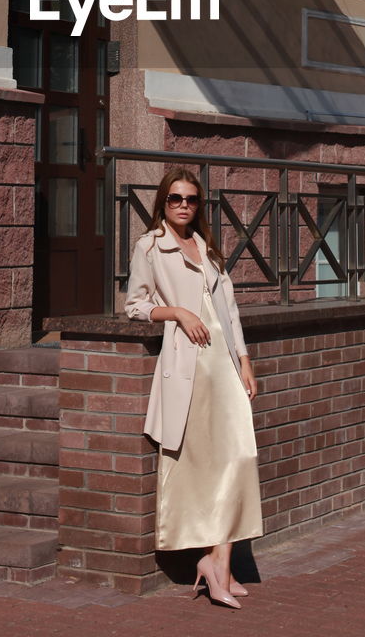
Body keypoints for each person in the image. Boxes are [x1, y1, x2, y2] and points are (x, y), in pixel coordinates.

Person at [125, 166, 262, 609]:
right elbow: (135, 306)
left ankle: (217, 563)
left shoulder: (209, 249)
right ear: (163, 203)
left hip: (223, 365)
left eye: (191, 200)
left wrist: (244, 361)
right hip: (189, 367)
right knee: (204, 465)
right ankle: (216, 565)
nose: (184, 206)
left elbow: (231, 311)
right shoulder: (150, 246)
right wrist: (179, 313)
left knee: (237, 458)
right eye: (175, 199)